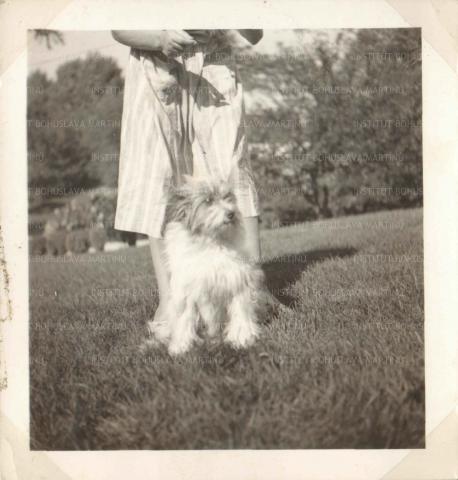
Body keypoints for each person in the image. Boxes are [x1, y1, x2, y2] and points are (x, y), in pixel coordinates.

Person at [111, 29, 263, 325]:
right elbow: (118, 27)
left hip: (215, 58)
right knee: (159, 176)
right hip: (155, 61)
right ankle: (171, 300)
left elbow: (254, 33)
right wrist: (159, 39)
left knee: (232, 168)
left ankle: (252, 288)